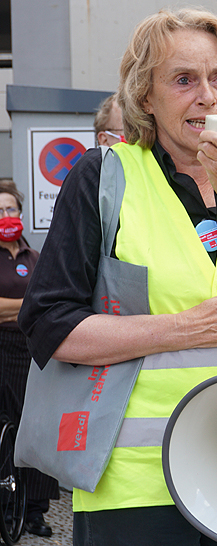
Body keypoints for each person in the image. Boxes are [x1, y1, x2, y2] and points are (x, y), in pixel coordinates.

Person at [18, 8, 217, 545]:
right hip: (137, 482)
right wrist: (183, 329)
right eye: (184, 80)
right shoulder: (103, 176)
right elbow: (48, 323)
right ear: (146, 96)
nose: (207, 97)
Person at [0, 181, 59, 537]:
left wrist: (17, 309)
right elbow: (35, 304)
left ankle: (35, 510)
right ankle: (7, 506)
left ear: (20, 213)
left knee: (34, 427)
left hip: (33, 351)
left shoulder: (34, 257)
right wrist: (28, 306)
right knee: (5, 427)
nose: (6, 215)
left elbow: (50, 303)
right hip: (2, 349)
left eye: (10, 209)